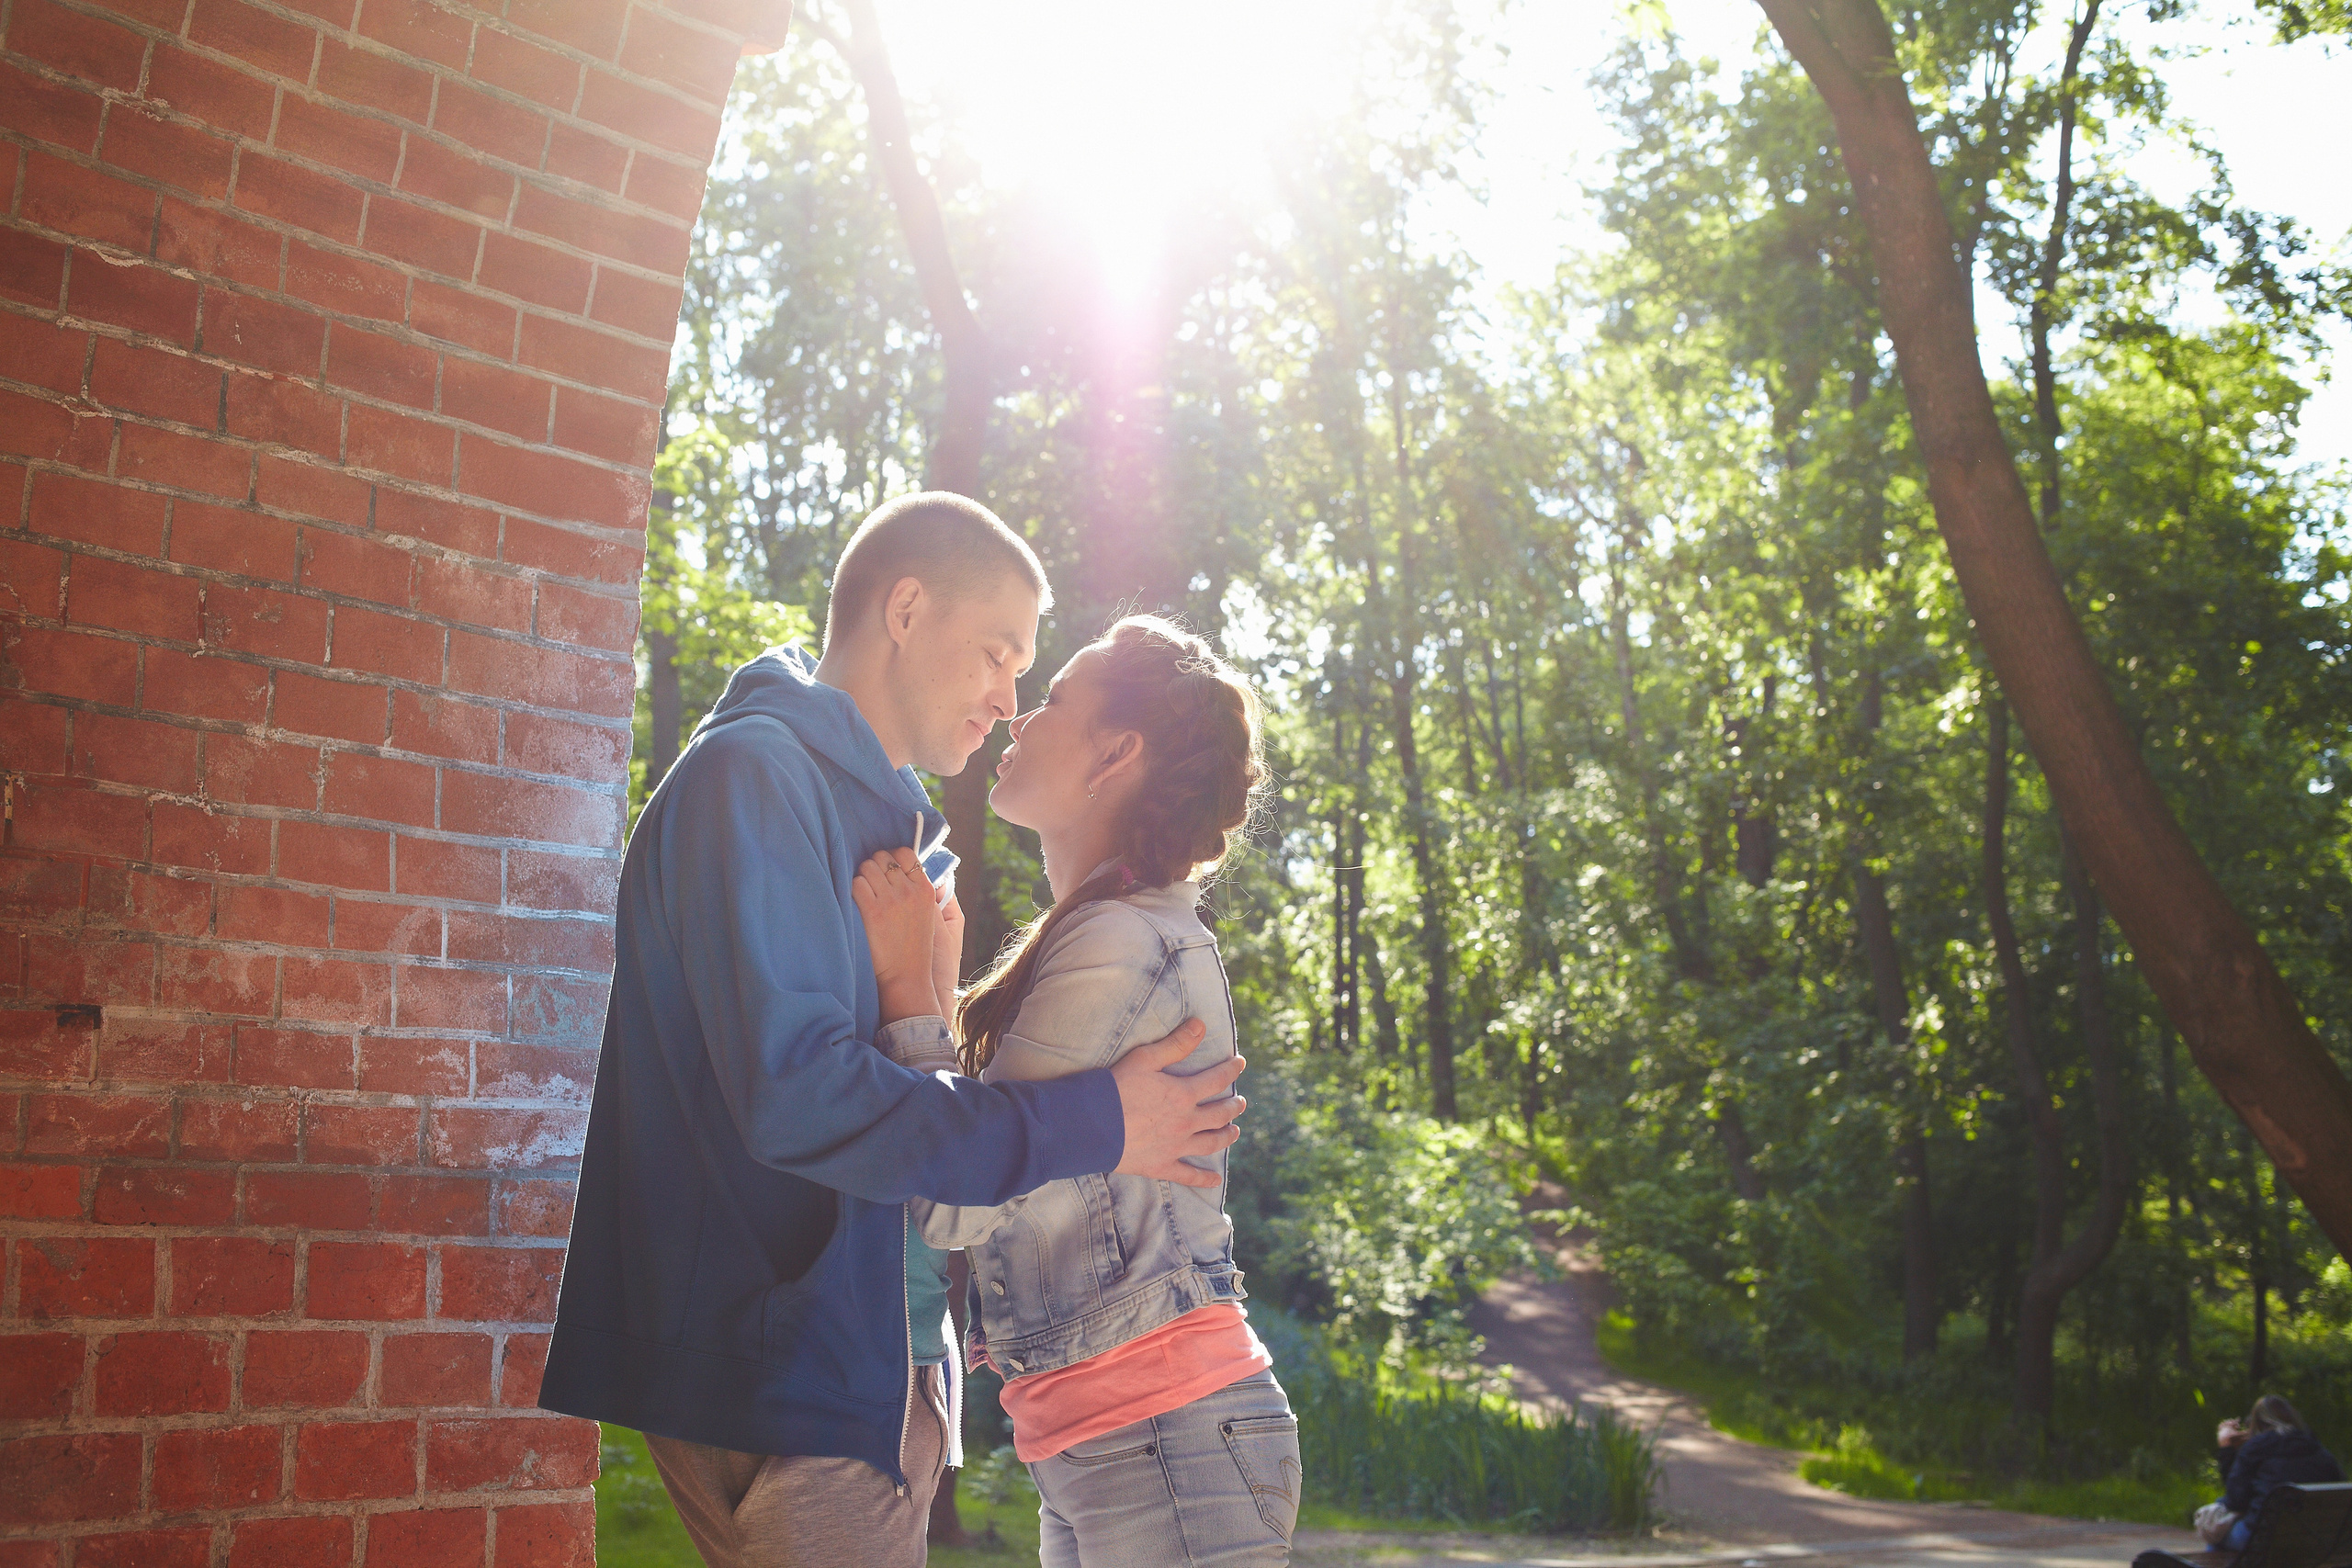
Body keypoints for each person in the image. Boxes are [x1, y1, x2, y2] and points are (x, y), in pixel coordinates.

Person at [539, 494, 1251, 1568]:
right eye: (1000, 655)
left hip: (872, 1367)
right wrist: (1098, 1120)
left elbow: (909, 1104)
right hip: (787, 1375)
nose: (1010, 699)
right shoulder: (754, 782)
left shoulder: (891, 828)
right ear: (906, 609)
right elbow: (804, 1095)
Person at [854, 615, 1301, 1567]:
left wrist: (906, 997)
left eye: (1052, 698)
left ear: (1118, 753)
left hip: (1166, 1438)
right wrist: (933, 983)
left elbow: (951, 1197)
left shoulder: (1121, 943)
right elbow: (989, 1147)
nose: (1016, 715)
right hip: (1110, 1436)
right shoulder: (1094, 936)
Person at [2199, 1394, 2346, 1549]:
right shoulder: (2318, 1449)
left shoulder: (2255, 1448)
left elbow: (2236, 1501)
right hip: (2316, 1539)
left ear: (2257, 1422)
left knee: (2216, 1537)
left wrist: (2226, 1448)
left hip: (2265, 1540)